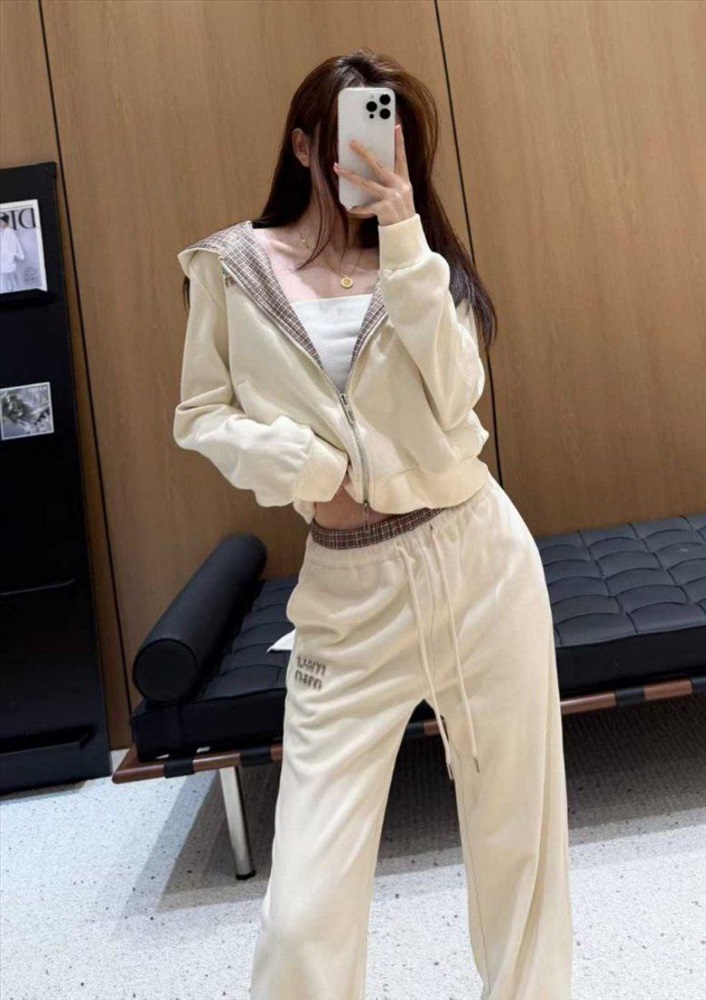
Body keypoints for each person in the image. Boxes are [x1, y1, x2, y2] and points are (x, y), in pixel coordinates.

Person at [174, 48, 573, 1000]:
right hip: (348, 595)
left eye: (388, 139)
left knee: (519, 849)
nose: (368, 157)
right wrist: (305, 469)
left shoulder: (421, 264)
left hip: (478, 561)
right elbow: (201, 415)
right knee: (303, 911)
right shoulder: (232, 269)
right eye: (348, 135)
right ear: (302, 144)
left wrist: (403, 238)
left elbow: (460, 395)